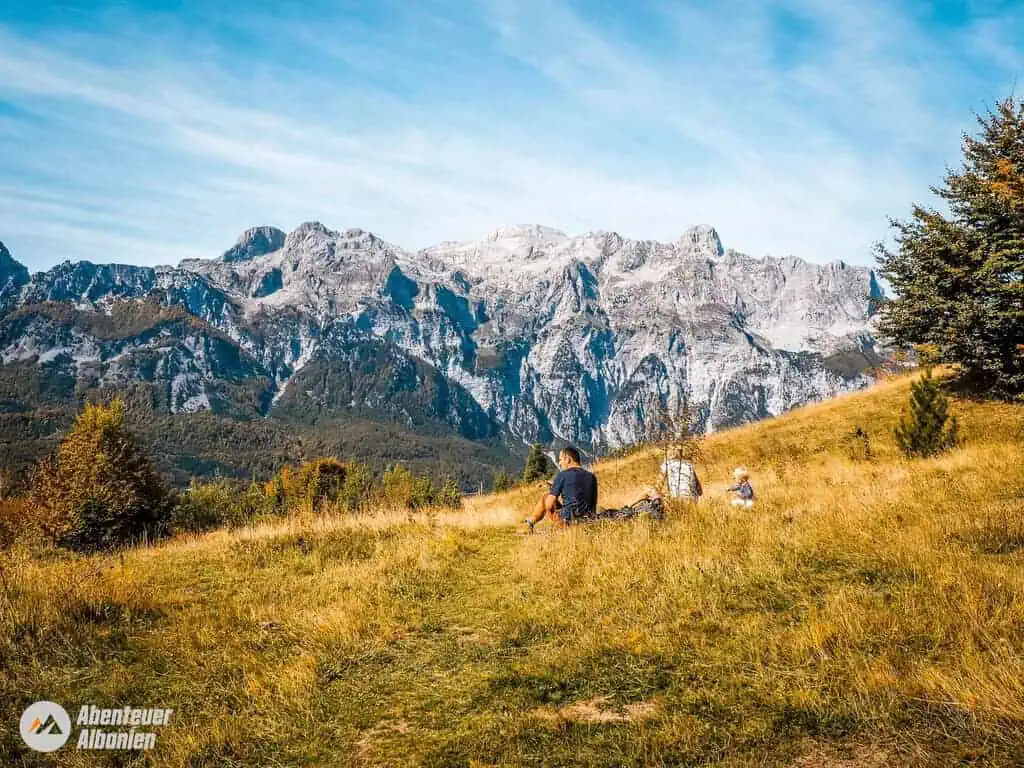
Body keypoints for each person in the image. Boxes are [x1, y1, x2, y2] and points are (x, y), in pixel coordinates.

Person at [524, 446, 598, 532]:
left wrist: (552, 490)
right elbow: (593, 504)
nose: (559, 463)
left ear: (568, 460)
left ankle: (529, 524)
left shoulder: (563, 475)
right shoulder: (592, 477)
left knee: (545, 497)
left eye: (560, 460)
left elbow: (549, 504)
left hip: (567, 521)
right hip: (588, 520)